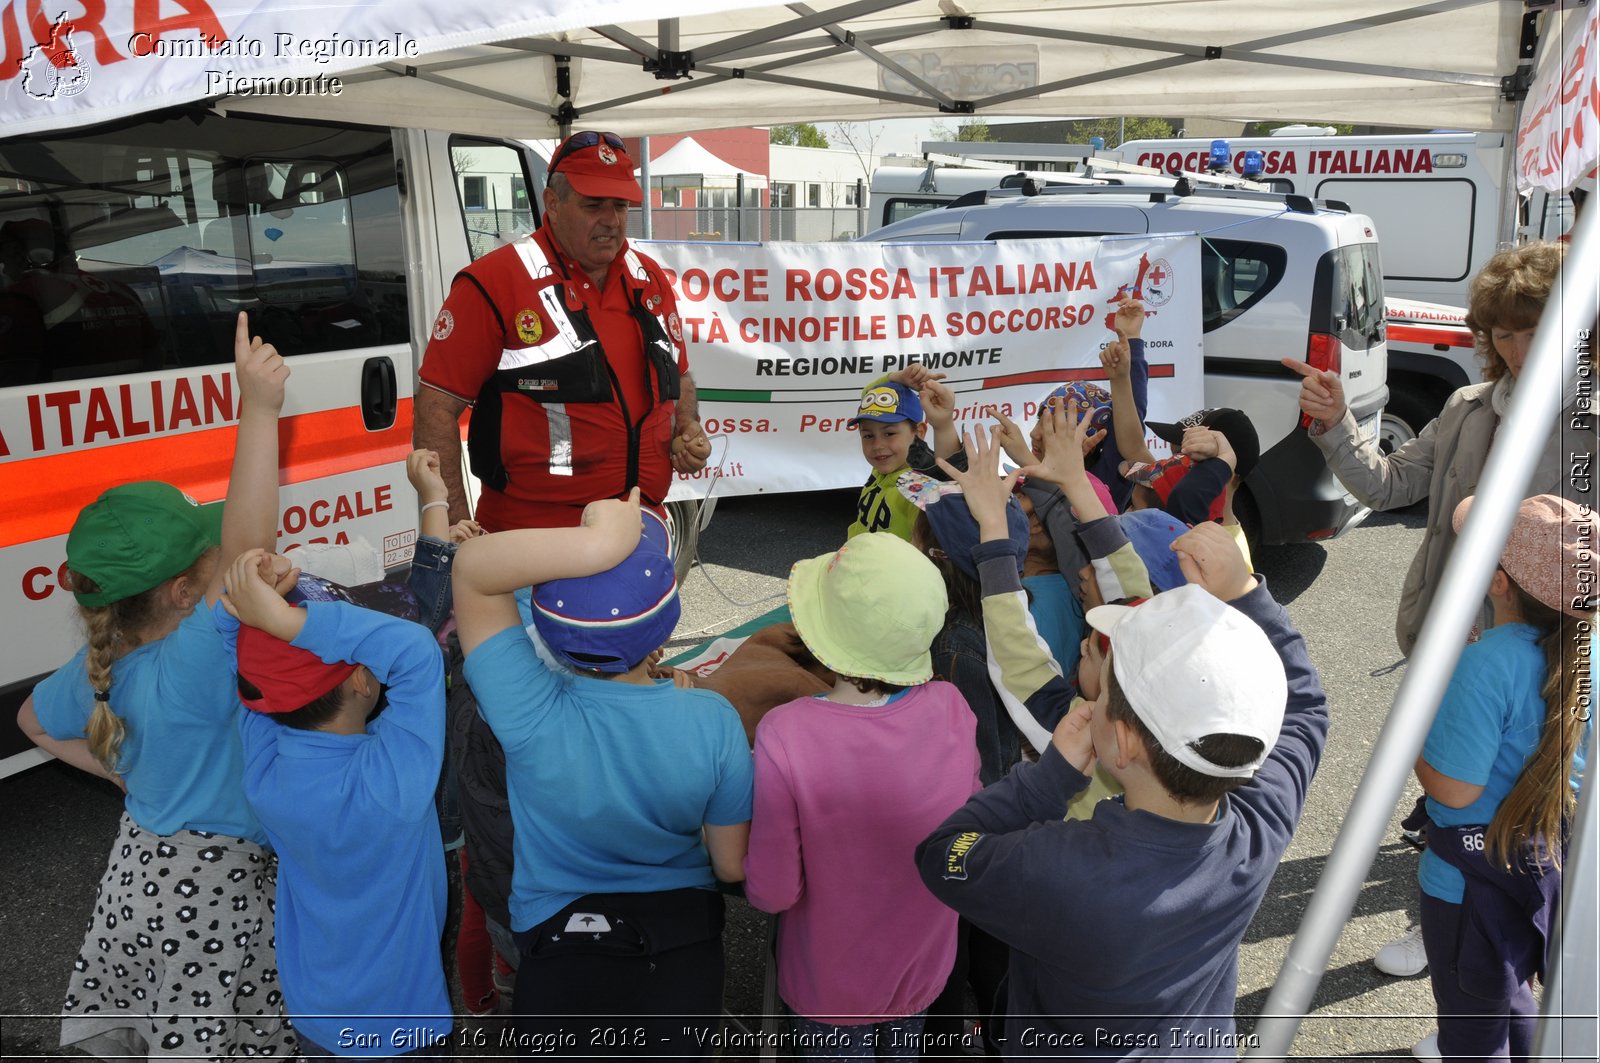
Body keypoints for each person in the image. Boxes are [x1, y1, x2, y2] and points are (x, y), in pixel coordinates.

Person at [916, 425, 1329, 1057]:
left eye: (1095, 667)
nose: (1090, 646)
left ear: (1124, 742)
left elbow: (942, 854)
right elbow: (1303, 710)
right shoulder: (1254, 827)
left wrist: (1049, 777)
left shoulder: (1051, 864)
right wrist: (1081, 490)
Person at [1283, 239, 1577, 984]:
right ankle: (1441, 922)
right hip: (1451, 642)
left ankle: (1529, 952)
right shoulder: (1467, 406)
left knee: (1535, 800)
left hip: (1549, 654)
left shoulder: (1591, 422)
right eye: (1501, 332)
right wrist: (1333, 422)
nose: (1515, 348)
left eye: (1532, 327)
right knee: (1450, 791)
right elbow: (1386, 485)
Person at [15, 313, 295, 1059]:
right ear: (179, 594)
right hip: (215, 895)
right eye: (202, 561)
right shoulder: (195, 661)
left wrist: (122, 767)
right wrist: (259, 409)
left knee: (150, 1015)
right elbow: (248, 545)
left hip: (136, 876)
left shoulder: (98, 670)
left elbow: (34, 722)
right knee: (214, 1031)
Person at [451, 488, 752, 1057]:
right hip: (681, 942)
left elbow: (471, 569)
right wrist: (614, 541)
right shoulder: (713, 718)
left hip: (554, 940)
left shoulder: (524, 708)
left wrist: (595, 544)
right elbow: (731, 862)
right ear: (664, 633)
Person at [742, 534, 980, 1058]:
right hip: (922, 965)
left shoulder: (785, 733)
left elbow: (772, 892)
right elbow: (967, 831)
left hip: (830, 987)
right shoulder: (952, 708)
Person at [413, 131, 711, 531]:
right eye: (593, 205)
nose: (611, 220)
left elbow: (681, 376)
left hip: (641, 528)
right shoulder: (494, 283)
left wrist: (687, 427)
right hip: (533, 541)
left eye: (621, 206)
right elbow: (435, 409)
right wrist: (455, 528)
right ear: (552, 204)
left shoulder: (649, 279)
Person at [223, 548, 453, 1060]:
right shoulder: (394, 780)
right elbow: (416, 650)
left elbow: (253, 687)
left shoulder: (266, 772)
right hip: (401, 1019)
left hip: (314, 1014)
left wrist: (249, 616)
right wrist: (278, 618)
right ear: (361, 680)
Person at [1410, 494, 1593, 1063]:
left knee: (1472, 1031)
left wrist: (1415, 733)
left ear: (1496, 581)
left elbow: (1453, 789)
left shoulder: (1484, 663)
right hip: (1549, 865)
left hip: (1468, 884)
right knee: (1517, 991)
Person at [847, 367, 959, 540]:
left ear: (919, 432)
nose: (877, 445)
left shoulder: (920, 485)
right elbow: (867, 394)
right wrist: (896, 378)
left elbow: (951, 482)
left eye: (889, 433)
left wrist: (943, 425)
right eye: (868, 435)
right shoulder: (881, 470)